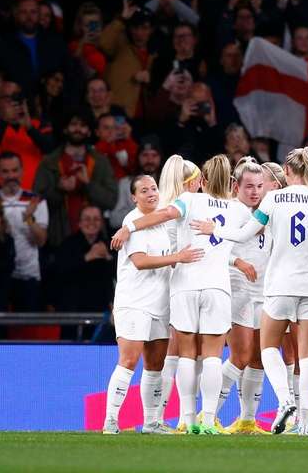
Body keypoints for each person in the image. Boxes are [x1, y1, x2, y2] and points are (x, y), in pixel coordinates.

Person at [190, 148, 308, 436]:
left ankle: (286, 399)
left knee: (267, 348)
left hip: (280, 286)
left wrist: (215, 228)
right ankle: (304, 424)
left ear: (287, 171)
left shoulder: (274, 198)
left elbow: (242, 234)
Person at [111, 155, 250, 435]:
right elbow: (250, 235)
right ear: (232, 183)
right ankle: (209, 420)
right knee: (212, 356)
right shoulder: (239, 210)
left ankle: (188, 420)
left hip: (185, 284)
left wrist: (130, 226)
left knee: (186, 354)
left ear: (203, 181)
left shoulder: (190, 199)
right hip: (217, 287)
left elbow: (163, 215)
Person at [102, 175, 204, 435]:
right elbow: (139, 261)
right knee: (128, 360)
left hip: (160, 303)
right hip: (134, 302)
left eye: (154, 188)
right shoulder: (131, 222)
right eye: (144, 190)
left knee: (155, 365)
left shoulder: (160, 221)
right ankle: (111, 419)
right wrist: (178, 257)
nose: (151, 193)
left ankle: (151, 422)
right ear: (133, 197)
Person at [215, 158, 275, 435]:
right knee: (239, 355)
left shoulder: (267, 212)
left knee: (258, 358)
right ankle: (208, 417)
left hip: (264, 292)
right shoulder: (230, 211)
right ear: (236, 186)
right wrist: (239, 262)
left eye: (259, 186)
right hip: (238, 289)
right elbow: (214, 248)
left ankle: (247, 420)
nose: (254, 192)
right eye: (249, 186)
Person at [33, 110, 117, 246]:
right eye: (73, 124)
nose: (78, 129)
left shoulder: (101, 162)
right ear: (65, 129)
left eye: (83, 125)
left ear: (90, 131)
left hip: (95, 238)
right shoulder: (49, 162)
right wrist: (60, 190)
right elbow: (37, 203)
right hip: (59, 237)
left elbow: (111, 201)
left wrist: (89, 185)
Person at [0, 152, 48, 312]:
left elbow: (41, 241)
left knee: (26, 329)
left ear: (21, 171)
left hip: (28, 274)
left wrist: (29, 218)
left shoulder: (36, 200)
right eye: (5, 171)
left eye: (14, 170)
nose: (10, 176)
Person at [110, 136, 163, 228]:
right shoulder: (125, 183)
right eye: (145, 155)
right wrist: (141, 214)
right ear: (138, 157)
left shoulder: (168, 183)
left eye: (154, 155)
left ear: (160, 158)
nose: (150, 160)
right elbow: (114, 219)